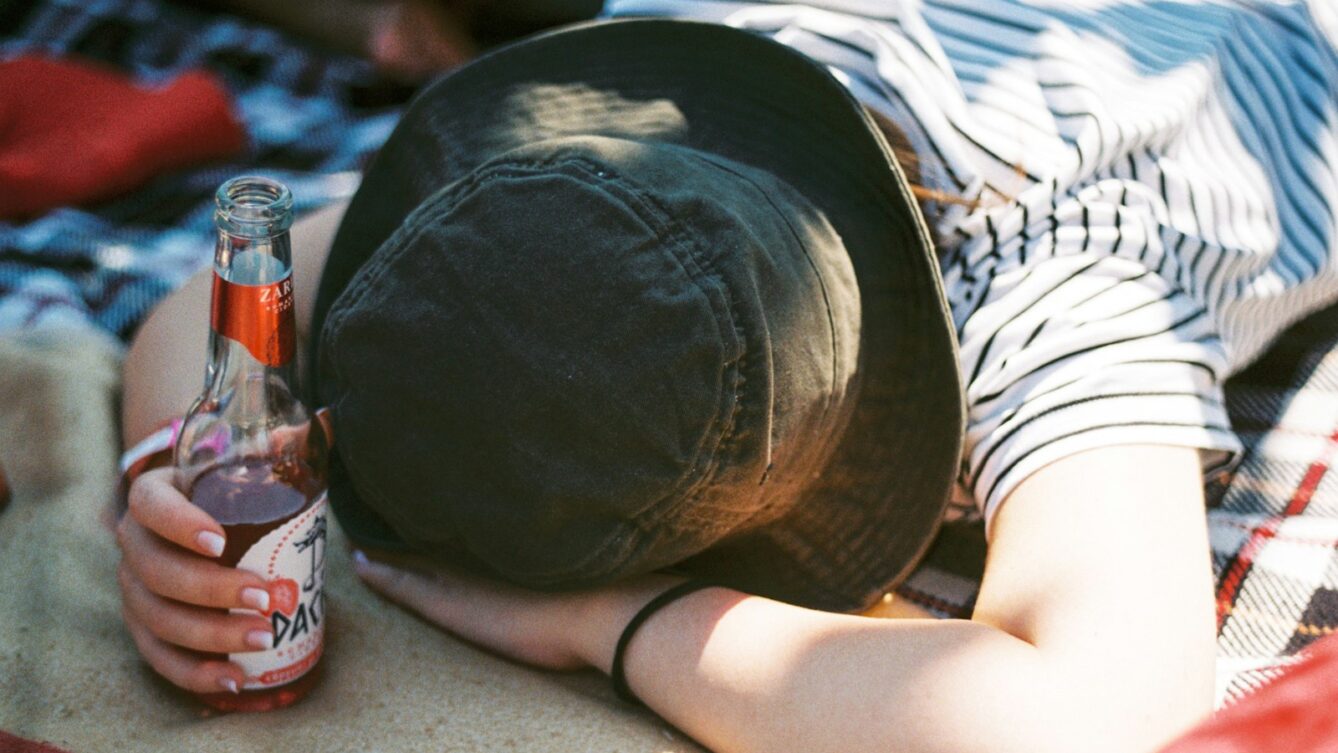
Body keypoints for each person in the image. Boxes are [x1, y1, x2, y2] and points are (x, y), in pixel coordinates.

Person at [114, 3, 1338, 753]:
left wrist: (607, 626)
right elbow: (218, 297)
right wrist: (177, 492)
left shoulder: (1060, 276)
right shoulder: (591, 119)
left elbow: (1099, 720)